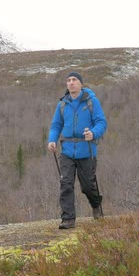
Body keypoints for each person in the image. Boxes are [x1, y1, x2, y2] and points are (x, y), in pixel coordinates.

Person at [47, 72, 108, 229]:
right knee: (66, 183)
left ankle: (96, 205)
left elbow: (101, 122)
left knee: (88, 186)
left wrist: (93, 133)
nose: (71, 83)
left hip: (87, 151)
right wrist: (52, 140)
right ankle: (68, 219)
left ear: (81, 84)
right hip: (67, 151)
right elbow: (56, 125)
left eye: (74, 80)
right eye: (68, 80)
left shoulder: (91, 102)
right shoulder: (62, 104)